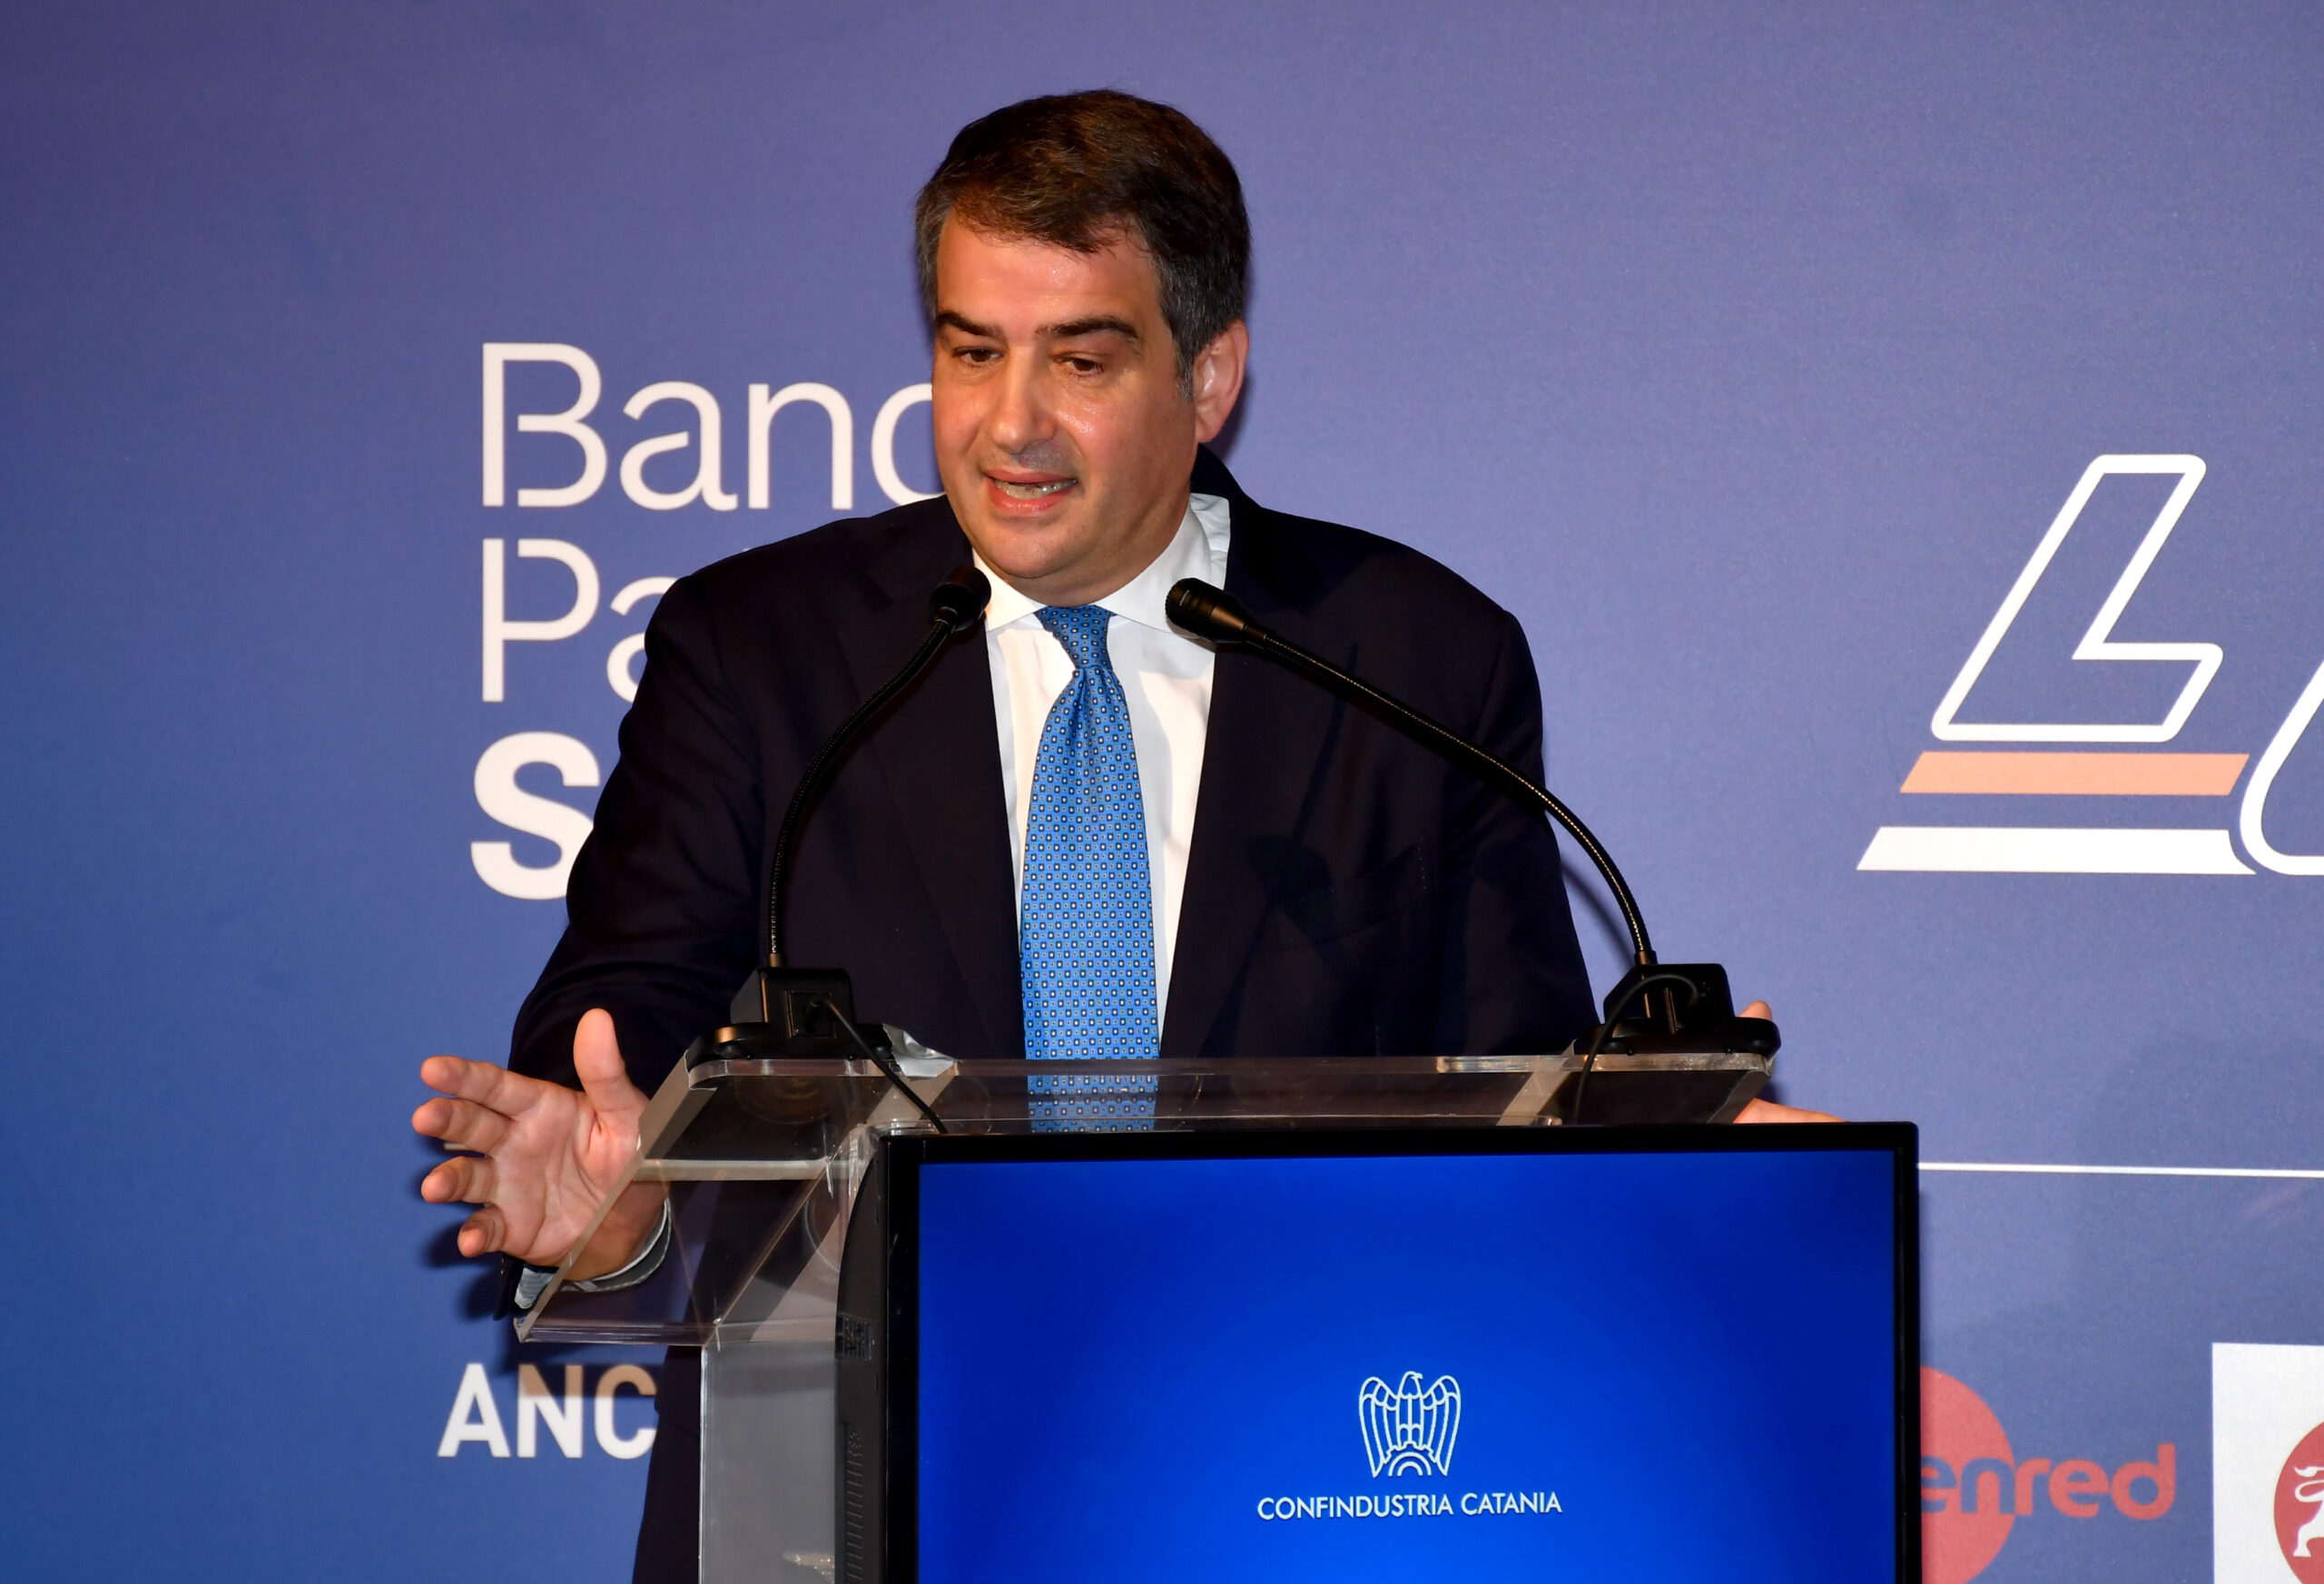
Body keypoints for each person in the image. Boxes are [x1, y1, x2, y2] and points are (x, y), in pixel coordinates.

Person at [412, 88, 1827, 1579]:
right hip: (848, 1498)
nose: (1010, 423)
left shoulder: (1413, 662)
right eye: (972, 351)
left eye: (1080, 360)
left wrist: (1661, 1172)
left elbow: (1508, 1100)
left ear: (1209, 376)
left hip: (1277, 1495)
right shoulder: (763, 649)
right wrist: (624, 1208)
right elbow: (616, 1029)